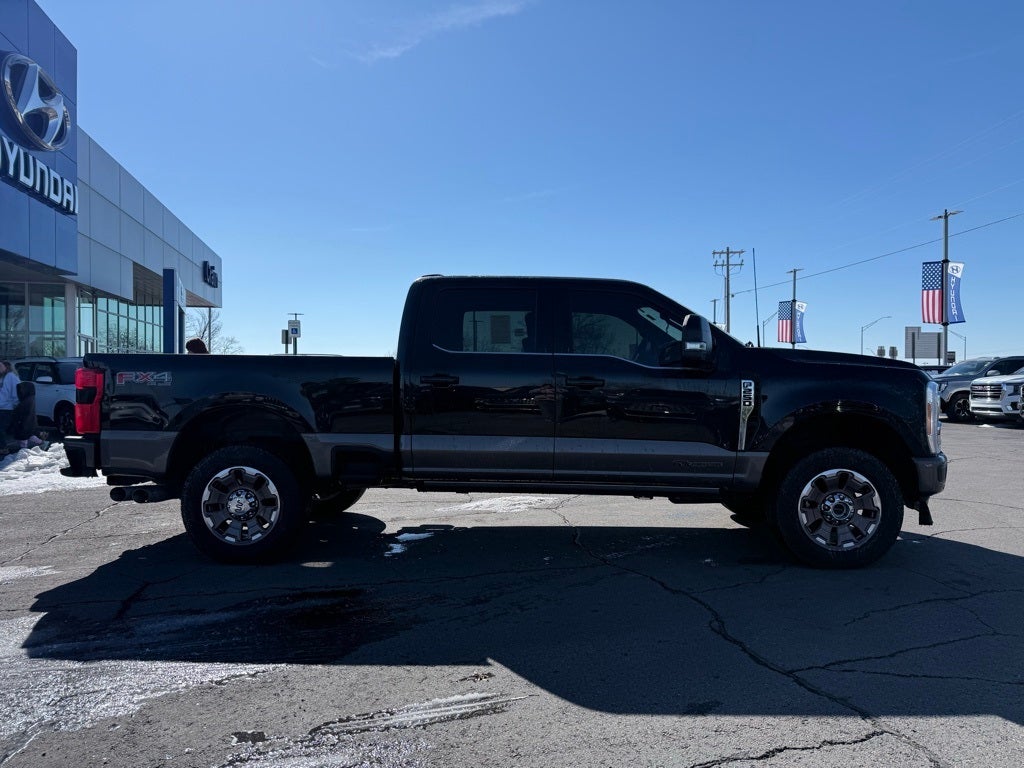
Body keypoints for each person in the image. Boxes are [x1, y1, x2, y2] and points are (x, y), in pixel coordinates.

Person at [10, 380, 44, 449]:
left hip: (23, 424)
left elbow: (19, 412)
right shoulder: (30, 399)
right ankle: (40, 442)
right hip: (29, 424)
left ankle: (23, 450)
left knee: (23, 439)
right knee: (29, 435)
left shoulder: (25, 402)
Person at [0, 360, 20, 446]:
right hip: (3, 407)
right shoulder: (2, 378)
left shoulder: (11, 377)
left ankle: (3, 448)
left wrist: (14, 404)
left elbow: (16, 392)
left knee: (1, 429)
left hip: (6, 408)